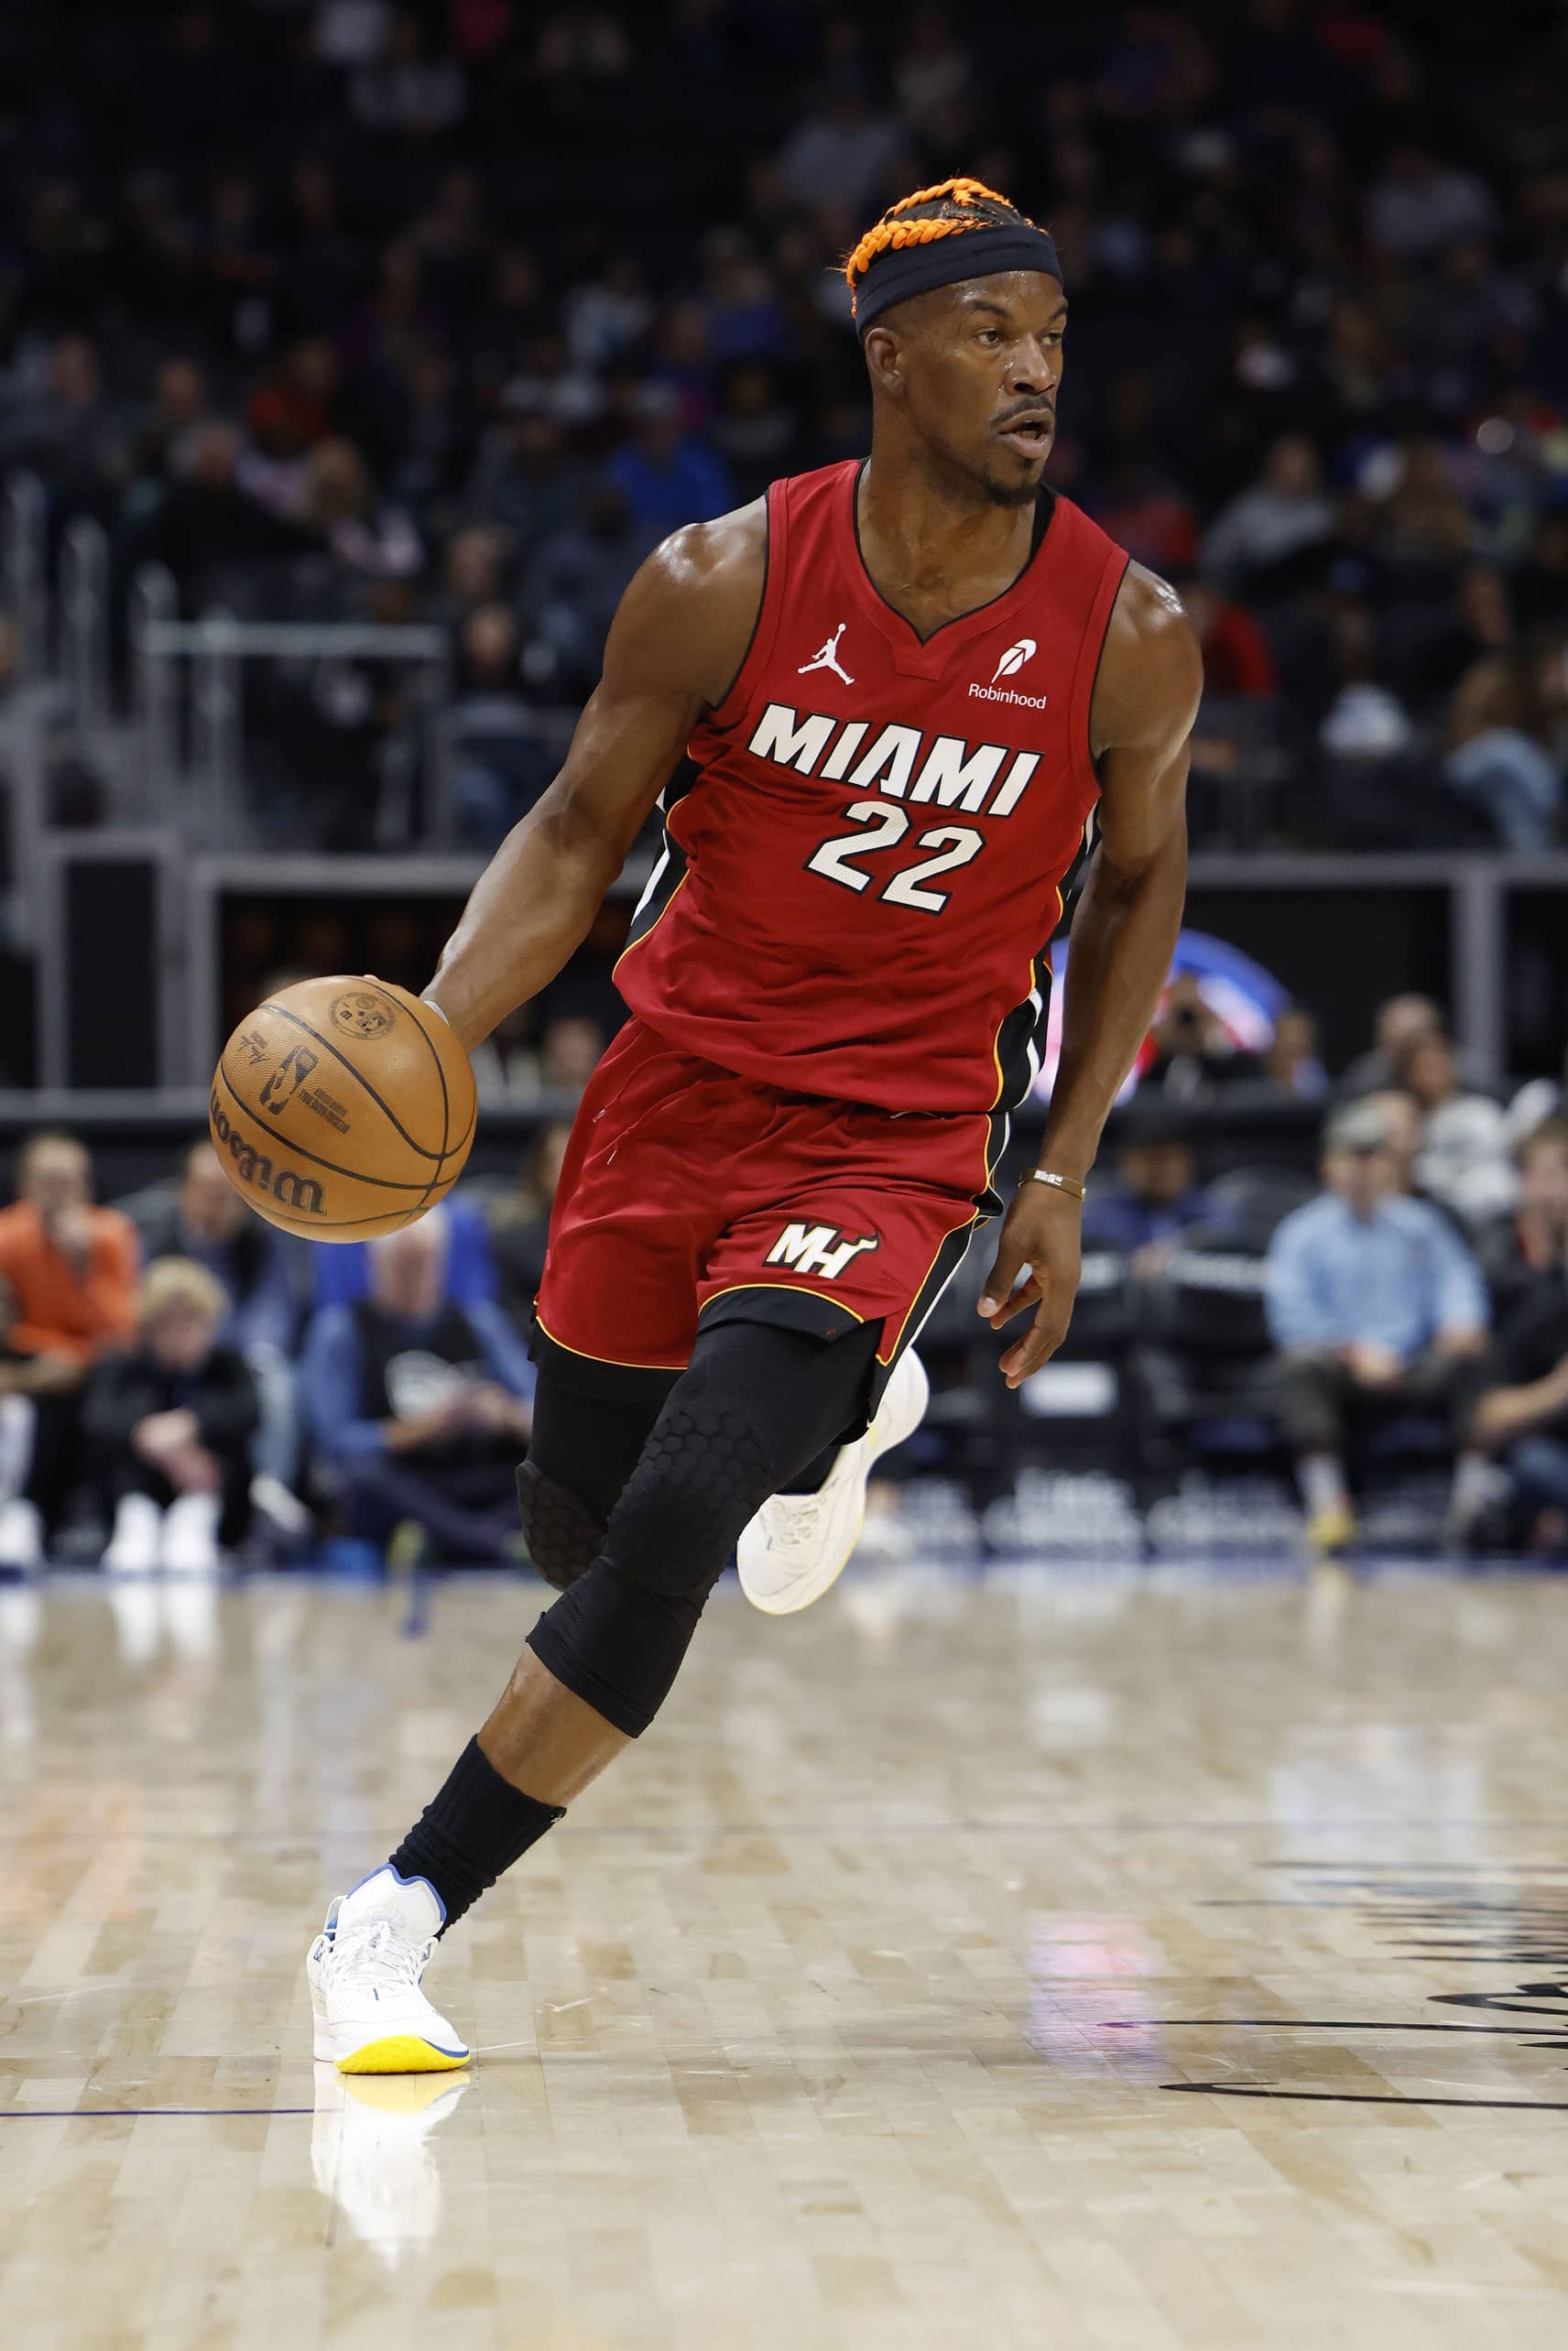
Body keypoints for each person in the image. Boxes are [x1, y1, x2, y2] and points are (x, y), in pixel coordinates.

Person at [305, 175, 1199, 2074]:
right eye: (989, 334)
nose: (1034, 371)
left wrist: (1059, 1166)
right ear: (889, 361)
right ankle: (840, 1414)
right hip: (674, 1092)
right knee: (582, 1525)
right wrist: (435, 1034)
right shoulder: (722, 579)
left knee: (682, 1514)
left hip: (893, 1131)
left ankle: (388, 1916)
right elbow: (573, 833)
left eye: (1051, 336)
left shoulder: (1125, 629)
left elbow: (1139, 889)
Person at [1265, 1101, 1491, 1555]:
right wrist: (1352, 1352)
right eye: (1353, 1156)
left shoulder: (1422, 1226)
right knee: (1300, 1365)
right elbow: (1291, 1315)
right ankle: (1328, 1506)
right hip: (1344, 1367)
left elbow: (1458, 1286)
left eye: (1374, 1156)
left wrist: (1458, 1325)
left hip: (1413, 1365)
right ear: (1328, 1164)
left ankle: (1475, 1502)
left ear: (1391, 1165)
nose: (1363, 1169)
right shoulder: (1301, 1234)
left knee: (1474, 1357)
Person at [299, 1209, 535, 1569]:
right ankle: (489, 1543)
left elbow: (538, 1413)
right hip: (403, 1476)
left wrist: (504, 1415)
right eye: (403, 1265)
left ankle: (441, 1538)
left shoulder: (478, 1321)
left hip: (473, 1472)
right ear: (373, 1265)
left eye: (424, 1263)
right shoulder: (341, 1330)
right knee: (362, 1481)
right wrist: (421, 1430)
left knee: (541, 1469)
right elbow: (333, 1442)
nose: (416, 1277)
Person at [0, 1132, 140, 1540]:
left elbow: (123, 1333)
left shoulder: (112, 1233)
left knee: (112, 1403)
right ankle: (23, 1516)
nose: (60, 1194)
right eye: (49, 1182)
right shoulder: (7, 1237)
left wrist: (83, 1267)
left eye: (70, 1182)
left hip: (95, 1366)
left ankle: (116, 1519)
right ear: (25, 1187)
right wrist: (26, 1376)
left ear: (86, 1187)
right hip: (33, 1361)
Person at [82, 1258, 260, 1575]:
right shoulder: (122, 1366)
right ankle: (136, 1521)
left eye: (190, 1320)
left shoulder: (229, 1366)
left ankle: (195, 1520)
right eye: (168, 1321)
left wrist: (190, 1425)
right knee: (116, 1452)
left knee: (228, 1450)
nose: (180, 1332)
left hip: (210, 1488)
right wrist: (153, 1439)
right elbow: (98, 1419)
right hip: (136, 1485)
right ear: (149, 1326)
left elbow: (249, 1413)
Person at [1399, 1030, 1517, 1229]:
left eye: (1441, 1064)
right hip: (1441, 1217)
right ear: (1411, 1075)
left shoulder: (1481, 1110)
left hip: (1498, 1214)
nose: (1436, 1075)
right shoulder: (1408, 1121)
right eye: (1427, 1067)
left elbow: (1508, 1155)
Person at [1081, 1104, 1211, 1271]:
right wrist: (1128, 1261)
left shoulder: (1208, 1213)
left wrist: (1176, 1254)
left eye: (1168, 1159)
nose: (1160, 1171)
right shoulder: (1099, 1217)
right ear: (1126, 1162)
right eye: (1150, 1159)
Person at [1475, 1118, 1568, 1327]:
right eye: (1548, 1176)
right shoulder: (1497, 1238)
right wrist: (1543, 1254)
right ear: (1522, 1180)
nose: (1558, 1190)